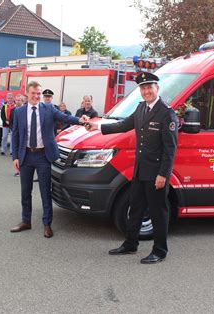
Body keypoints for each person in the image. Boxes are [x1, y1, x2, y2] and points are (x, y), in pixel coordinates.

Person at [86, 72, 178, 264]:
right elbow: (123, 125)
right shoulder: (141, 108)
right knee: (135, 208)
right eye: (143, 88)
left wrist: (163, 174)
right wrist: (97, 127)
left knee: (158, 212)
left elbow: (170, 148)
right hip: (140, 171)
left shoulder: (166, 113)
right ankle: (131, 243)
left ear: (157, 88)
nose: (146, 91)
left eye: (149, 87)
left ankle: (160, 251)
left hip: (156, 175)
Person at [10, 81, 87, 238]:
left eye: (39, 93)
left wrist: (81, 120)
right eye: (34, 93)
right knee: (25, 191)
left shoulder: (49, 109)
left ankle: (47, 224)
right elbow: (16, 135)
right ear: (27, 94)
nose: (37, 96)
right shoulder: (19, 112)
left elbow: (66, 117)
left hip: (43, 156)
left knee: (45, 191)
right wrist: (15, 157)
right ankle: (26, 221)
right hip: (25, 156)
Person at [10, 94, 25, 176]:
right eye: (17, 100)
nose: (18, 101)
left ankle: (23, 170)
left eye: (20, 100)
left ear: (23, 101)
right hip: (16, 133)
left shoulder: (26, 110)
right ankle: (17, 171)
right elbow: (11, 121)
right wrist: (13, 129)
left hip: (24, 134)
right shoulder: (13, 110)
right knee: (16, 152)